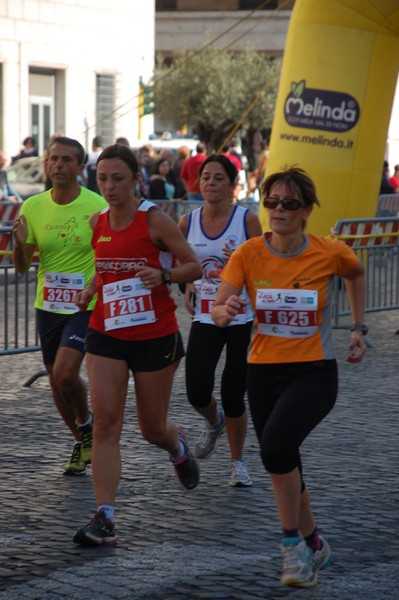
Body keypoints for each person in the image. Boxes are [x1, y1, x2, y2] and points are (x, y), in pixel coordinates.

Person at [211, 165, 367, 588]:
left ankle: (291, 547)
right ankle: (316, 542)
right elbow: (219, 305)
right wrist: (223, 311)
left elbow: (355, 273)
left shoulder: (328, 251)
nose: (278, 210)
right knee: (284, 459)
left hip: (314, 372)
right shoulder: (248, 254)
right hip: (262, 371)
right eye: (272, 202)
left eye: (290, 204)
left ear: (306, 211)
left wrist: (358, 327)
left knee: (276, 447)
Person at [72, 144, 202, 546]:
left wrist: (162, 277)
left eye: (118, 179)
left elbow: (194, 266)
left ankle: (177, 446)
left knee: (151, 429)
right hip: (105, 332)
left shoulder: (156, 221)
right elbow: (104, 266)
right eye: (103, 179)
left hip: (154, 336)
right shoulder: (97, 221)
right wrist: (92, 287)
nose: (110, 187)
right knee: (107, 422)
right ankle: (105, 518)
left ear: (135, 180)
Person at [12, 136, 107, 475]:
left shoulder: (97, 206)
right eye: (53, 159)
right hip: (48, 304)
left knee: (67, 374)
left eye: (67, 160)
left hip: (85, 303)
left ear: (80, 167)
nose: (58, 165)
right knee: (55, 381)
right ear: (45, 164)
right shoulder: (33, 207)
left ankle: (88, 426)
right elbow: (22, 266)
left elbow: (109, 253)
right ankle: (83, 438)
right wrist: (20, 245)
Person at [179, 154, 262, 487]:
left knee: (233, 393)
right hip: (206, 314)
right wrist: (186, 284)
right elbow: (182, 259)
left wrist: (242, 262)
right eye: (205, 177)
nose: (210, 183)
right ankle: (214, 423)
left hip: (242, 316)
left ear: (232, 186)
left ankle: (237, 462)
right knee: (196, 388)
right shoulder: (188, 221)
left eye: (218, 178)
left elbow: (265, 267)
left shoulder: (248, 221)